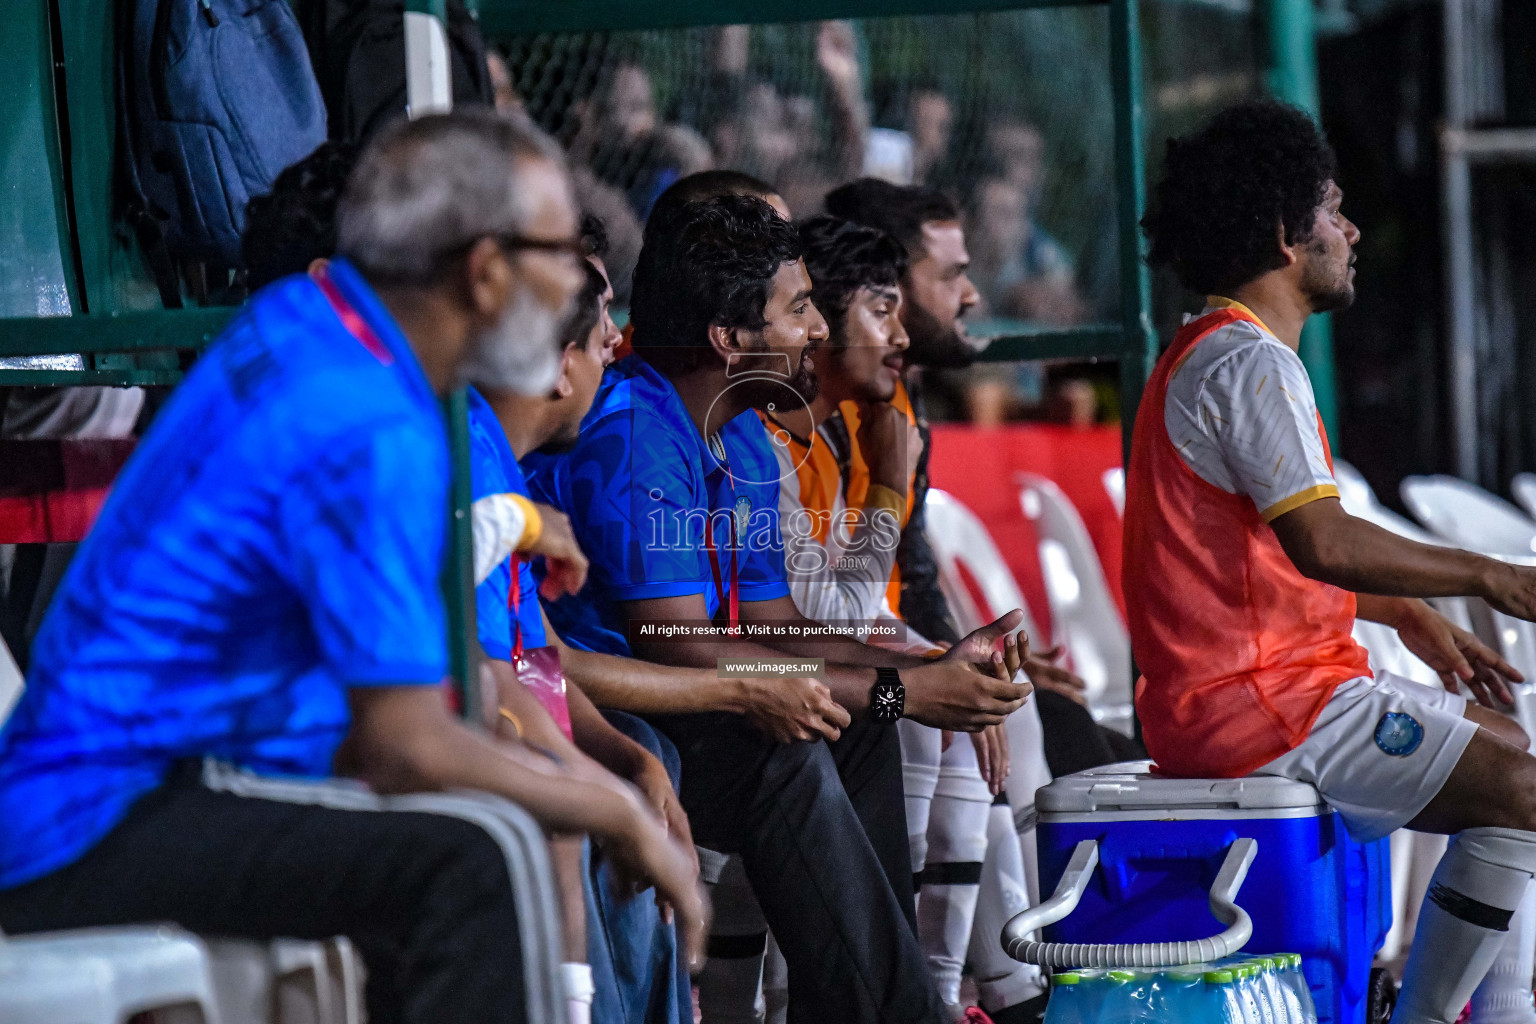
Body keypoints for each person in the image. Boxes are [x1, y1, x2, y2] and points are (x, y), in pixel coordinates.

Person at [0, 110, 703, 1024]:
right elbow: (409, 741)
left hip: (153, 775)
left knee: (508, 818)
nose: (582, 296)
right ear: (487, 273)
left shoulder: (313, 329)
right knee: (485, 851)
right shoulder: (374, 418)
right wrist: (617, 807)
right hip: (106, 812)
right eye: (561, 257)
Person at [525, 193, 1034, 1024]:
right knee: (785, 752)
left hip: (695, 689)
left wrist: (924, 671)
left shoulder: (744, 430)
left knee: (858, 720)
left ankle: (873, 1004)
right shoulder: (631, 435)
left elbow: (772, 625)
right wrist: (902, 689)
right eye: (799, 308)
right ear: (728, 339)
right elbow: (680, 652)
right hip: (617, 703)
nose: (816, 330)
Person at [1132, 98, 1536, 1024]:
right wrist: (1492, 575)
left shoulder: (1218, 351)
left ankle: (1489, 1007)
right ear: (1285, 233)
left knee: (1509, 755)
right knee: (1521, 789)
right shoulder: (1247, 363)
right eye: (1334, 209)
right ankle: (1438, 1015)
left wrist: (1399, 611)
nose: (1351, 230)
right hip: (1260, 708)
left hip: (1261, 691)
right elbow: (1322, 541)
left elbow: (1256, 562)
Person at [766, 214, 1050, 1023]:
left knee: (965, 701)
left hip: (796, 676)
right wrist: (890, 489)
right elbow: (801, 630)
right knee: (911, 711)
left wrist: (934, 660)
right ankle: (906, 995)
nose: (899, 334)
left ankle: (963, 991)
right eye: (880, 310)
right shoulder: (757, 441)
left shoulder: (817, 437)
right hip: (766, 688)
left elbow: (825, 623)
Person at [823, 178, 1135, 776]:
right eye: (790, 307)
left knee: (1066, 737)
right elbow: (758, 650)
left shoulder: (887, 407)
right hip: (818, 684)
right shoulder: (772, 441)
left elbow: (844, 620)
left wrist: (949, 660)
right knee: (984, 723)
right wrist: (922, 677)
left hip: (846, 673)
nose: (971, 296)